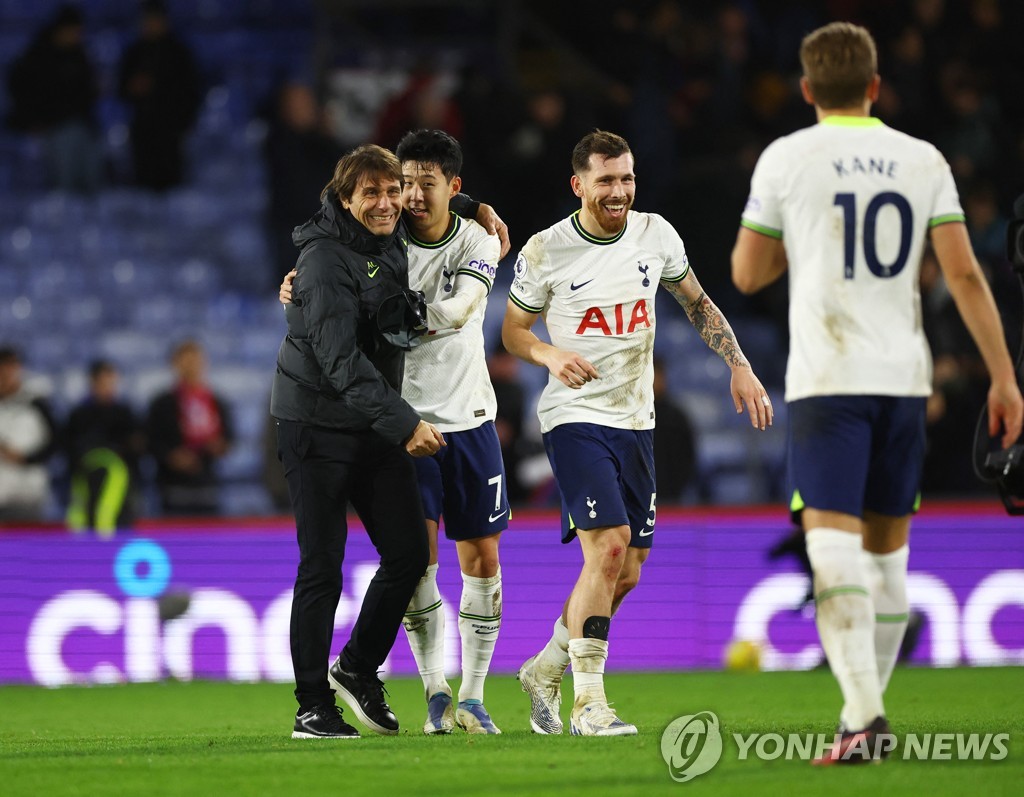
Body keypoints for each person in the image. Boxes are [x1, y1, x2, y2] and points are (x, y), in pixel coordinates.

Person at [730, 21, 1024, 765]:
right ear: (874, 86)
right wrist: (1004, 375)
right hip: (904, 379)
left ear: (805, 90)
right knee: (889, 561)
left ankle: (864, 716)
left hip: (829, 378)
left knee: (833, 551)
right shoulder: (921, 158)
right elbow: (962, 275)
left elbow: (746, 273)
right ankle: (863, 715)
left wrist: (804, 236)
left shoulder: (786, 157)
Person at [503, 130, 772, 736]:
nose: (619, 191)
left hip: (636, 419)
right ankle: (588, 705)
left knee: (628, 570)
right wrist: (547, 354)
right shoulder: (547, 251)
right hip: (575, 417)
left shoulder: (657, 235)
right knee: (611, 545)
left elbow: (698, 302)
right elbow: (514, 331)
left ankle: (546, 667)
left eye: (626, 178)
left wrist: (740, 364)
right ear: (579, 186)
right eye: (606, 180)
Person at [278, 130, 511, 736]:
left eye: (396, 189)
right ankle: (312, 706)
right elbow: (340, 364)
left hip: (376, 424)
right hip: (318, 425)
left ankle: (356, 668)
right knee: (322, 566)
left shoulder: (389, 240)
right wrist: (406, 423)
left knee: (408, 554)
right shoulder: (326, 261)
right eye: (375, 192)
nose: (391, 201)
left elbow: (438, 202)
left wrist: (473, 207)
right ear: (345, 198)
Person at [5, 4, 101, 193]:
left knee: (91, 176)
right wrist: (32, 120)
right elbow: (20, 88)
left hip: (81, 125)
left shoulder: (79, 54)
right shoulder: (38, 55)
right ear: (61, 29)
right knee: (64, 181)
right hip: (53, 127)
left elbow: (86, 91)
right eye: (73, 31)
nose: (77, 35)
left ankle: (89, 215)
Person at [117, 0, 203, 190]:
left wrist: (186, 120)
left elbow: (191, 89)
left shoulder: (178, 53)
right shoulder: (135, 52)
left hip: (171, 127)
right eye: (147, 20)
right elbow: (121, 89)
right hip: (144, 127)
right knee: (144, 182)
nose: (151, 25)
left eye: (155, 20)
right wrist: (133, 88)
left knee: (171, 183)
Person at [146, 340, 233, 516]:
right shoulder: (162, 404)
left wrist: (220, 446)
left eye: (195, 361)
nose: (191, 367)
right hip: (173, 488)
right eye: (186, 362)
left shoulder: (217, 402)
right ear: (175, 364)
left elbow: (230, 437)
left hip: (208, 486)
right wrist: (172, 457)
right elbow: (150, 441)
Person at [64, 359, 144, 536]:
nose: (108, 386)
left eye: (112, 381)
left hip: (121, 492)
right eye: (103, 381)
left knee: (120, 535)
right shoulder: (79, 415)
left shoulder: (126, 413)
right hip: (87, 489)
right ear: (92, 382)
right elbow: (71, 451)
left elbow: (136, 449)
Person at [0, 347, 57, 522]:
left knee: (27, 543)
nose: (7, 373)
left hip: (29, 490)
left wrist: (25, 458)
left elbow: (54, 442)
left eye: (12, 367)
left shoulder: (36, 401)